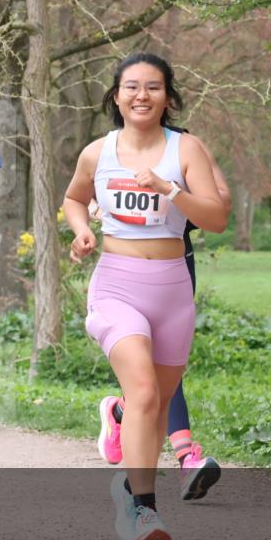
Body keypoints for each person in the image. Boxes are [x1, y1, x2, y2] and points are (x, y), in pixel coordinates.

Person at [63, 53, 227, 540]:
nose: (141, 95)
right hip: (117, 284)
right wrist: (81, 231)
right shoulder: (98, 152)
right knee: (144, 393)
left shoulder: (187, 149)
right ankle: (143, 510)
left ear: (168, 97)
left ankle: (128, 488)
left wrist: (170, 189)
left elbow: (216, 218)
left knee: (154, 409)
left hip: (174, 289)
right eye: (131, 87)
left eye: (153, 87)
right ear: (116, 96)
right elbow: (74, 198)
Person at [94, 128, 230, 501]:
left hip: (175, 260)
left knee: (166, 369)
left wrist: (175, 190)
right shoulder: (110, 149)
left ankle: (121, 412)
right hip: (125, 268)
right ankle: (183, 458)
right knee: (147, 378)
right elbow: (87, 194)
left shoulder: (188, 145)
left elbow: (222, 203)